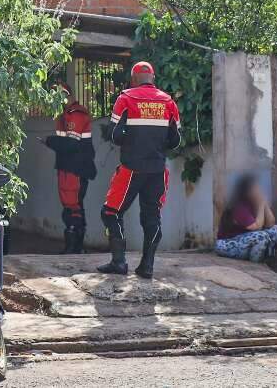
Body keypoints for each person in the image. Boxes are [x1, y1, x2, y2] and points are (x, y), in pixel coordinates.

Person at [97, 61, 181, 278]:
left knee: (110, 212)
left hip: (131, 169)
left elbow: (115, 135)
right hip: (157, 170)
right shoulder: (169, 102)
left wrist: (130, 138)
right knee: (152, 217)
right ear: (152, 78)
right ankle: (147, 267)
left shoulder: (125, 98)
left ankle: (119, 262)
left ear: (133, 79)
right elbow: (175, 140)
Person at [42, 82, 96, 254]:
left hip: (75, 169)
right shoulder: (66, 114)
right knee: (72, 206)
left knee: (73, 207)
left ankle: (74, 249)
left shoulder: (75, 114)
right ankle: (74, 247)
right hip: (69, 167)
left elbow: (72, 144)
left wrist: (49, 141)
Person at [215, 175, 277, 262]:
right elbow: (256, 227)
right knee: (261, 236)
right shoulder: (238, 206)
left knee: (275, 229)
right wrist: (261, 205)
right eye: (255, 188)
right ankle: (255, 264)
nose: (259, 191)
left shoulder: (254, 202)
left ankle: (266, 259)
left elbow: (270, 223)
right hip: (227, 244)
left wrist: (264, 203)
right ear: (246, 190)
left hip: (244, 243)